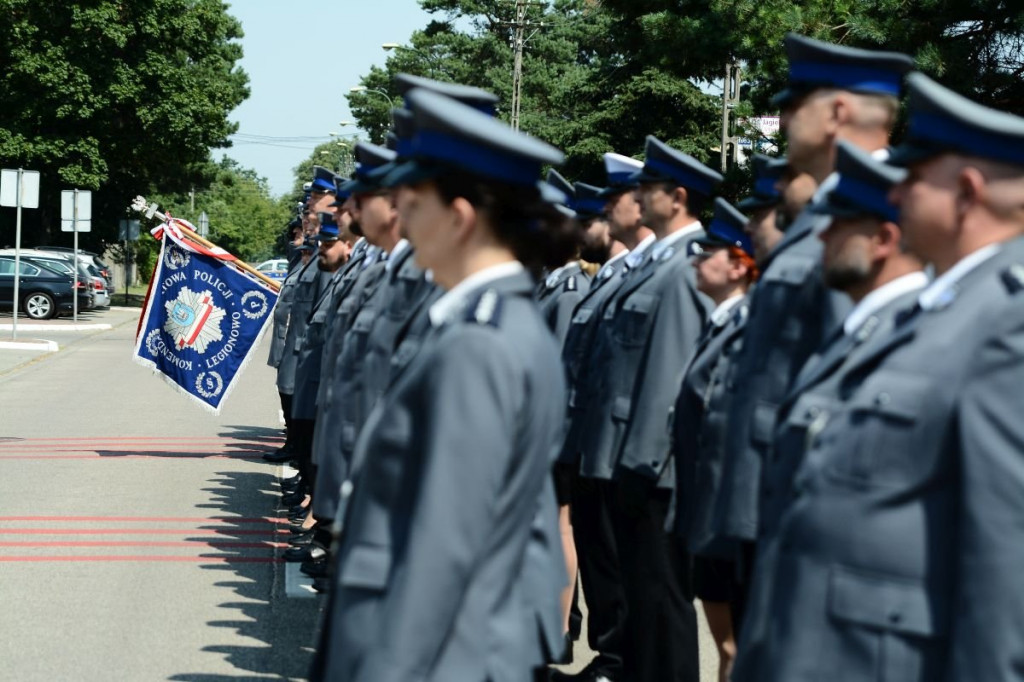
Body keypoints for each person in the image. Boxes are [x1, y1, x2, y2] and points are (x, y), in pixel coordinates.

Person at [733, 72, 1024, 681]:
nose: (894, 195)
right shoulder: (938, 309)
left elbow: (1006, 570)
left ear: (967, 193)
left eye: (913, 181)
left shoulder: (1006, 325)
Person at [313, 86, 573, 682]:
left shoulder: (480, 346)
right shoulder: (491, 323)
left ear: (459, 218)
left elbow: (441, 549)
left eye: (415, 203)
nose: (401, 217)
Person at [714, 33, 913, 591]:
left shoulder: (872, 218)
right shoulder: (822, 213)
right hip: (773, 491)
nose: (782, 119)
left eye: (792, 106)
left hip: (808, 499)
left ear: (837, 113)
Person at [583, 135, 721, 682]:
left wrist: (643, 462)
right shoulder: (653, 264)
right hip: (628, 461)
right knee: (640, 606)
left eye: (649, 188)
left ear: (678, 197)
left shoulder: (688, 263)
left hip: (654, 470)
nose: (638, 197)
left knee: (662, 610)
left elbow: (672, 376)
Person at [666, 198, 758, 682]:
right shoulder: (719, 323)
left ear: (741, 266)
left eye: (711, 255)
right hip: (706, 504)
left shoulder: (745, 327)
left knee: (732, 645)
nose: (699, 262)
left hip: (725, 508)